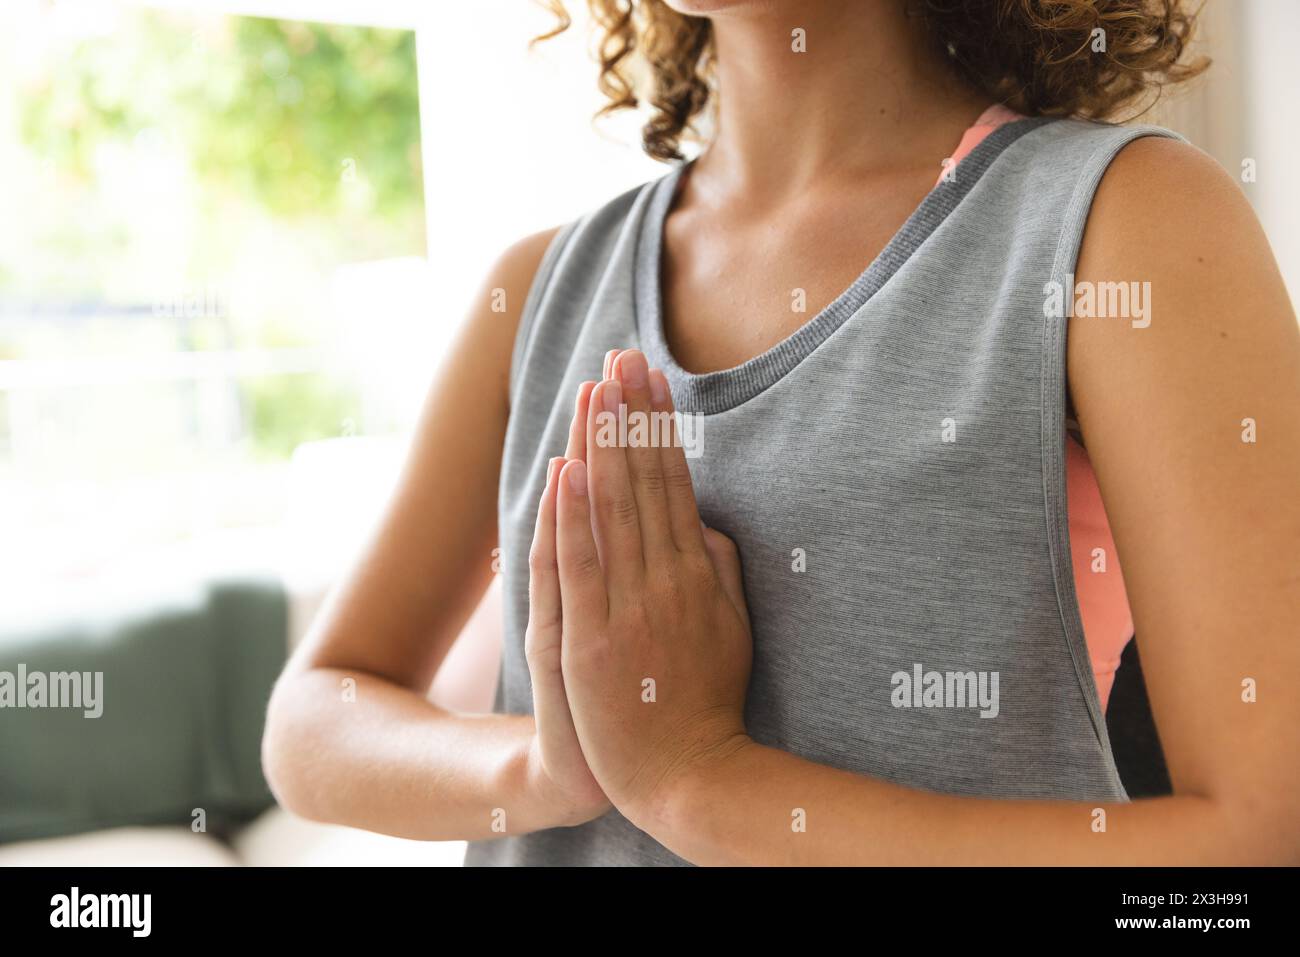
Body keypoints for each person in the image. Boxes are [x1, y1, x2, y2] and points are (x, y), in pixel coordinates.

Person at [262, 0, 1300, 865]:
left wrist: (696, 783)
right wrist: (546, 769)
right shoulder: (538, 289)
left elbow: (1260, 839)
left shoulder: (1129, 223)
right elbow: (312, 718)